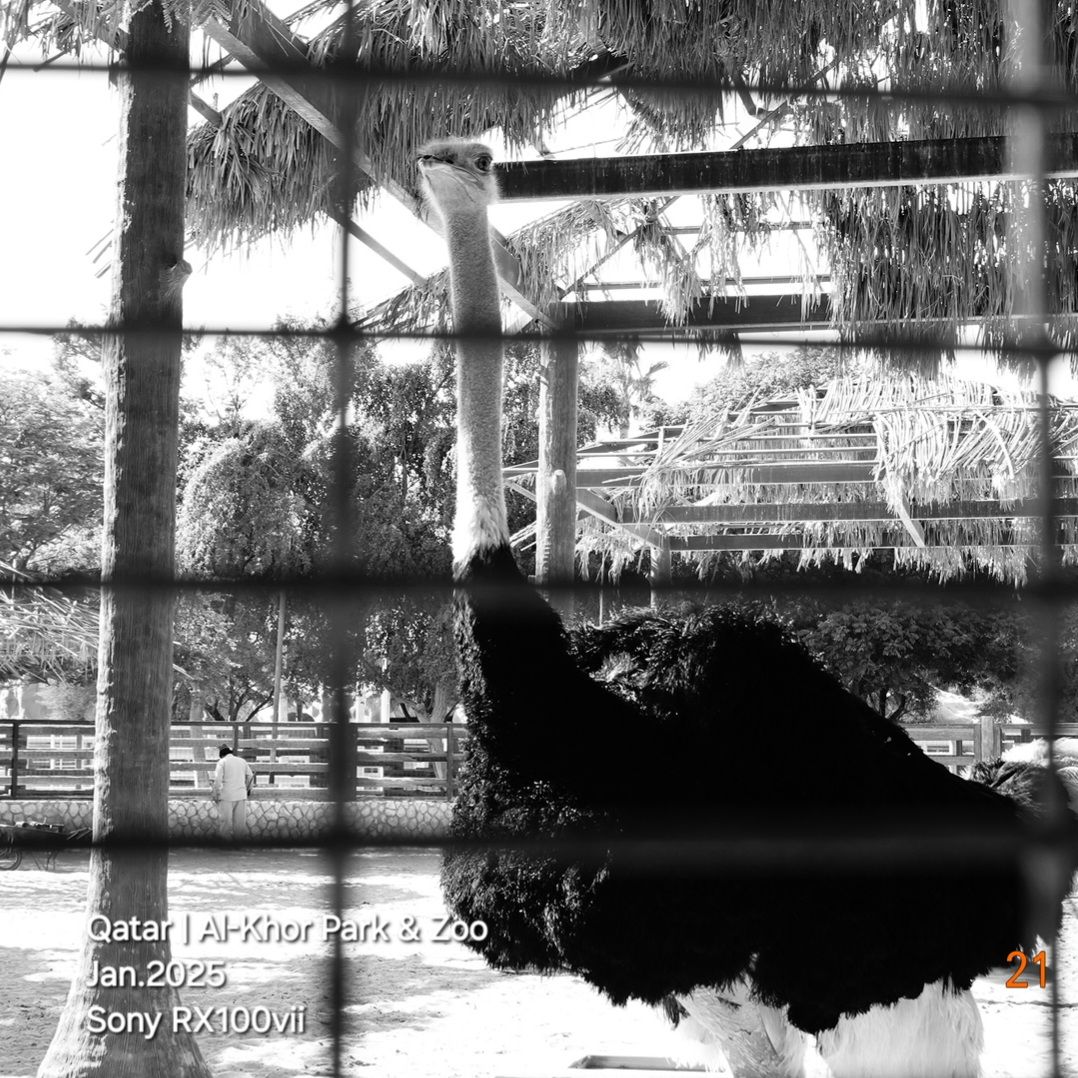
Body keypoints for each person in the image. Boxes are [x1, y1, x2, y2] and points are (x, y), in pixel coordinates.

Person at [212, 745, 255, 840]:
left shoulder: (222, 762)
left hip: (227, 796)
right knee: (239, 824)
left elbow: (218, 779)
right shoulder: (242, 761)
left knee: (225, 823)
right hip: (241, 795)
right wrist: (248, 789)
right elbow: (250, 776)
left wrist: (216, 793)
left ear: (221, 755)